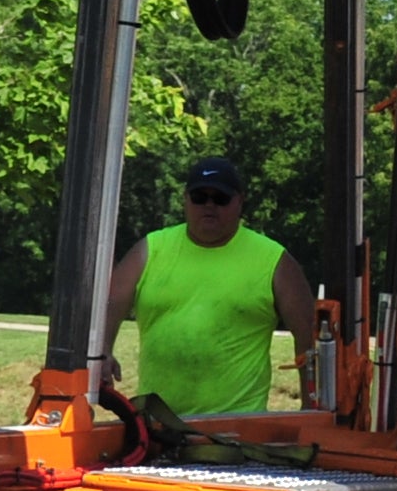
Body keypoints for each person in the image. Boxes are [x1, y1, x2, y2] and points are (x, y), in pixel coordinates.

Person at [98, 156, 323, 421]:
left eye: (220, 198)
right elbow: (111, 302)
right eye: (199, 197)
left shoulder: (274, 260)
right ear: (185, 199)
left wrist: (311, 412)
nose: (209, 205)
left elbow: (310, 339)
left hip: (239, 432)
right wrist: (102, 351)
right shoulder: (151, 248)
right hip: (159, 425)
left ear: (239, 201)